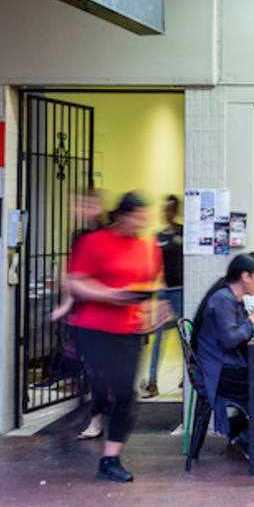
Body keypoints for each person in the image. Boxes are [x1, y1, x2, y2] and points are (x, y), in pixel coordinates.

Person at [66, 192, 164, 483]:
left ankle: (110, 458)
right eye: (138, 216)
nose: (143, 221)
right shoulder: (93, 242)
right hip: (95, 328)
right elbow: (75, 283)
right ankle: (89, 410)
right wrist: (111, 295)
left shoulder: (148, 247)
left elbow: (153, 283)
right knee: (106, 387)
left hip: (130, 330)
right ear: (122, 215)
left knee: (125, 394)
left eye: (146, 216)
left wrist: (154, 307)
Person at [191, 253, 254, 452]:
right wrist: (253, 318)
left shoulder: (231, 297)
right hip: (222, 373)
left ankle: (245, 430)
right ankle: (245, 432)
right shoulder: (223, 300)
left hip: (229, 366)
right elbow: (231, 340)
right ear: (245, 277)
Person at [50, 188, 109, 440]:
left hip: (102, 311)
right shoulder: (79, 237)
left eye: (86, 205)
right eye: (78, 205)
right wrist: (66, 304)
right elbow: (73, 274)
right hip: (82, 312)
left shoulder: (107, 236)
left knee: (97, 369)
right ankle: (91, 409)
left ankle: (96, 419)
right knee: (81, 364)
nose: (80, 210)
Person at [142, 194, 183, 399]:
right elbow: (153, 266)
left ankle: (187, 374)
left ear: (176, 211)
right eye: (164, 209)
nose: (167, 213)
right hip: (165, 292)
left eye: (171, 209)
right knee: (158, 336)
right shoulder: (158, 237)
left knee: (185, 335)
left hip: (182, 290)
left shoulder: (184, 233)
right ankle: (152, 381)